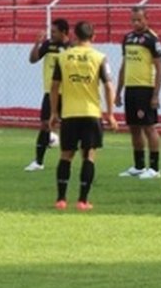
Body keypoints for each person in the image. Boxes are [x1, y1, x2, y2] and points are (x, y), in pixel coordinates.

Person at [48, 21, 117, 211]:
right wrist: (110, 114)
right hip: (91, 113)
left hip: (70, 114)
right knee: (89, 156)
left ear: (75, 37)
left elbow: (54, 87)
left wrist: (54, 112)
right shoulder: (100, 57)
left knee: (66, 155)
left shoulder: (63, 57)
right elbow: (109, 86)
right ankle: (82, 201)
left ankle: (61, 199)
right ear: (93, 37)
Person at [115, 6, 161, 179]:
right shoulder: (127, 38)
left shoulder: (152, 39)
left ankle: (155, 168)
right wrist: (118, 91)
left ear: (146, 19)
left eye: (139, 19)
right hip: (130, 89)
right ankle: (138, 165)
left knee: (149, 127)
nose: (136, 23)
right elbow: (124, 65)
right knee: (134, 128)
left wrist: (156, 94)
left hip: (145, 88)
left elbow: (159, 68)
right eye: (133, 20)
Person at [24, 18, 70, 171]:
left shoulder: (71, 47)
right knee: (45, 124)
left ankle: (66, 160)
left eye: (54, 31)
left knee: (68, 127)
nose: (52, 34)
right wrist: (37, 43)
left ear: (64, 32)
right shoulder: (48, 44)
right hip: (50, 93)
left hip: (68, 93)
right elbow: (33, 60)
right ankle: (38, 161)